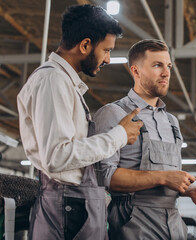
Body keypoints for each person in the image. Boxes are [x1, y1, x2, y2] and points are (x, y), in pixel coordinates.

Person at [17, 4, 143, 240]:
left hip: (73, 203)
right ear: (85, 45)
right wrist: (119, 136)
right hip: (65, 208)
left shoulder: (64, 82)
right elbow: (57, 157)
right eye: (106, 50)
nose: (108, 59)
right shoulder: (52, 81)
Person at [94, 39, 196, 240]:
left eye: (168, 66)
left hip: (174, 225)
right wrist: (164, 177)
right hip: (133, 225)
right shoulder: (114, 114)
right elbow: (105, 177)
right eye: (157, 65)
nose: (166, 73)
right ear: (135, 71)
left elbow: (172, 177)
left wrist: (188, 191)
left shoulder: (171, 122)